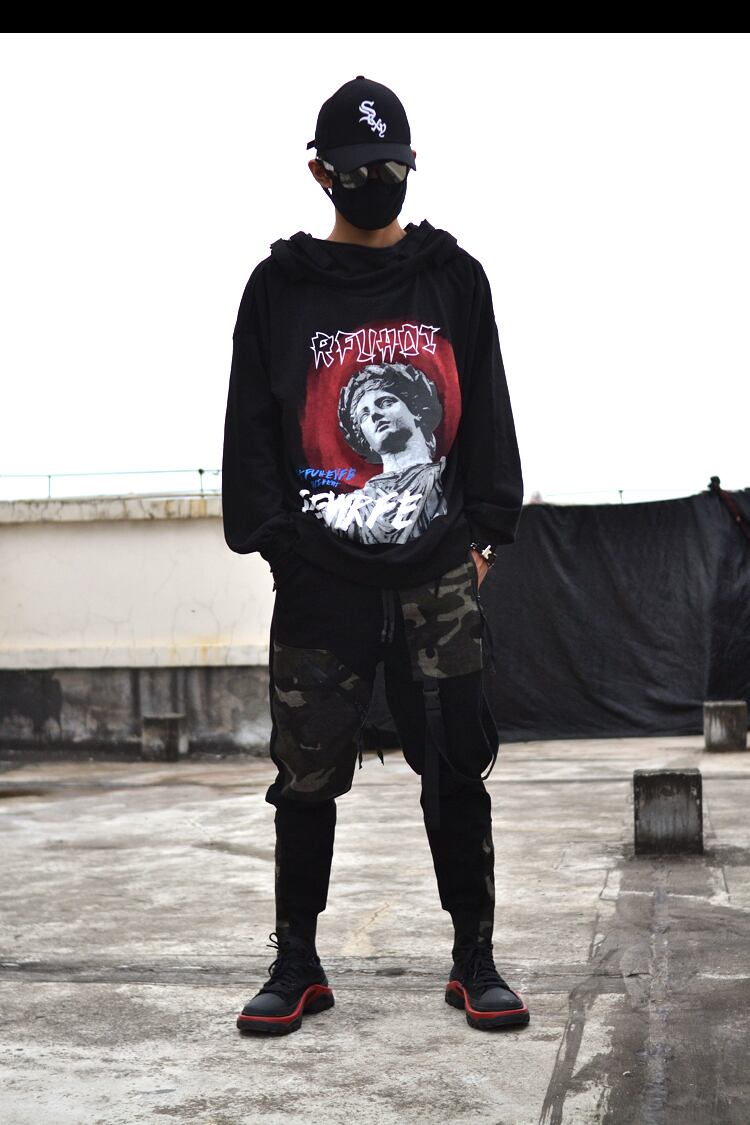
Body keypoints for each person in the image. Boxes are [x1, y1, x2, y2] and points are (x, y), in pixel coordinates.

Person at [222, 75, 529, 1035]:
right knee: (305, 774)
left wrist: (482, 537)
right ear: (321, 173)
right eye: (357, 170)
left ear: (412, 164)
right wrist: (288, 554)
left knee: (458, 766)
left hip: (439, 574)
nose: (375, 181)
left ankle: (474, 957)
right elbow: (251, 435)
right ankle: (297, 962)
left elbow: (488, 412)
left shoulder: (452, 277)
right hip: (324, 580)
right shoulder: (280, 288)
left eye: (391, 165)